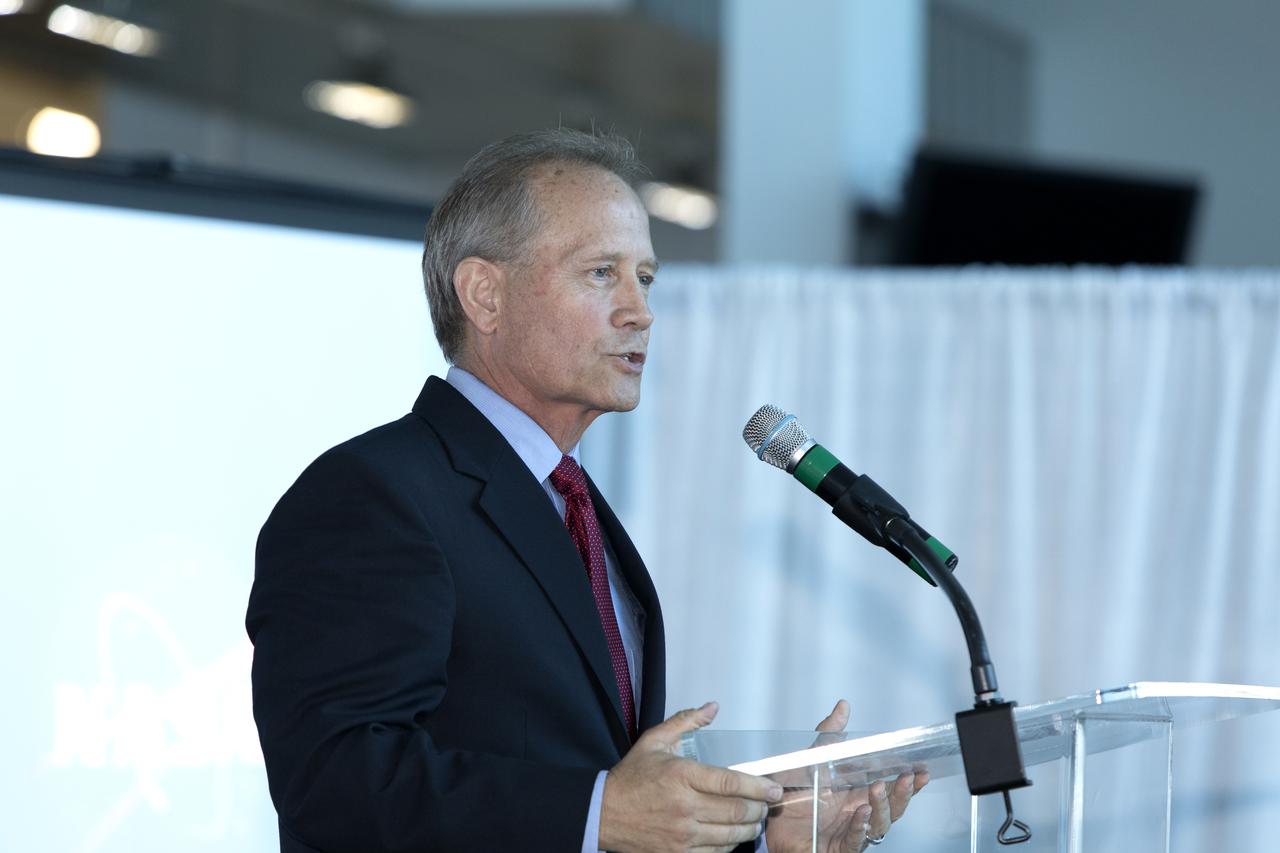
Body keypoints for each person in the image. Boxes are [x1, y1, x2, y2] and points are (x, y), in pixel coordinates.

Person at [246, 128, 923, 853]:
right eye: (602, 273)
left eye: (646, 277)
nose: (640, 310)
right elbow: (333, 780)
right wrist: (598, 810)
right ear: (483, 294)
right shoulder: (375, 496)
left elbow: (605, 797)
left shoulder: (572, 504)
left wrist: (763, 835)